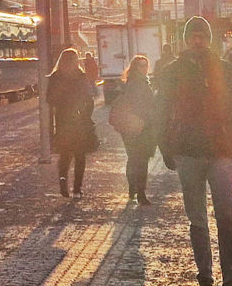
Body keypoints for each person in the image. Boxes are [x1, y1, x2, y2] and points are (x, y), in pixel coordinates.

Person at [162, 16, 232, 286]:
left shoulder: (226, 70)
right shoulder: (173, 72)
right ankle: (205, 282)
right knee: (197, 220)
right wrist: (165, 146)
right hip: (188, 152)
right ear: (187, 40)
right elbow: (161, 111)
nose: (197, 41)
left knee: (225, 217)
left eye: (202, 36)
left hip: (221, 151)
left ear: (208, 39)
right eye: (193, 37)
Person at [109, 54, 159, 205]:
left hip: (132, 126)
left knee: (133, 158)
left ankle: (133, 188)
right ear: (135, 67)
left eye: (146, 65)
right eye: (141, 65)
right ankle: (140, 193)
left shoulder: (134, 82)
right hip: (139, 126)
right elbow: (141, 105)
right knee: (141, 160)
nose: (144, 68)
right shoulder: (138, 83)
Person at [47, 47, 97, 197]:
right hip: (79, 120)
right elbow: (89, 99)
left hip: (62, 120)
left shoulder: (55, 77)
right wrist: (87, 115)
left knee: (65, 154)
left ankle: (63, 180)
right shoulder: (81, 76)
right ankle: (77, 188)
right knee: (80, 155)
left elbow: (49, 99)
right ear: (76, 61)